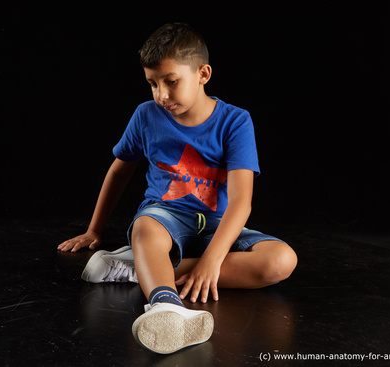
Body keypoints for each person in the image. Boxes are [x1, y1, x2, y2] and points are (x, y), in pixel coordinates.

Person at [58, 23, 298, 354]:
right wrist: (93, 230)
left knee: (281, 261)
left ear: (203, 73)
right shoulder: (146, 116)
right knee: (145, 228)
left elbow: (241, 202)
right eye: (152, 84)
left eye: (171, 82)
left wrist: (212, 260)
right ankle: (164, 303)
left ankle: (136, 269)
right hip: (166, 216)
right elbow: (119, 171)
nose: (161, 95)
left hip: (218, 225)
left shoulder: (236, 121)